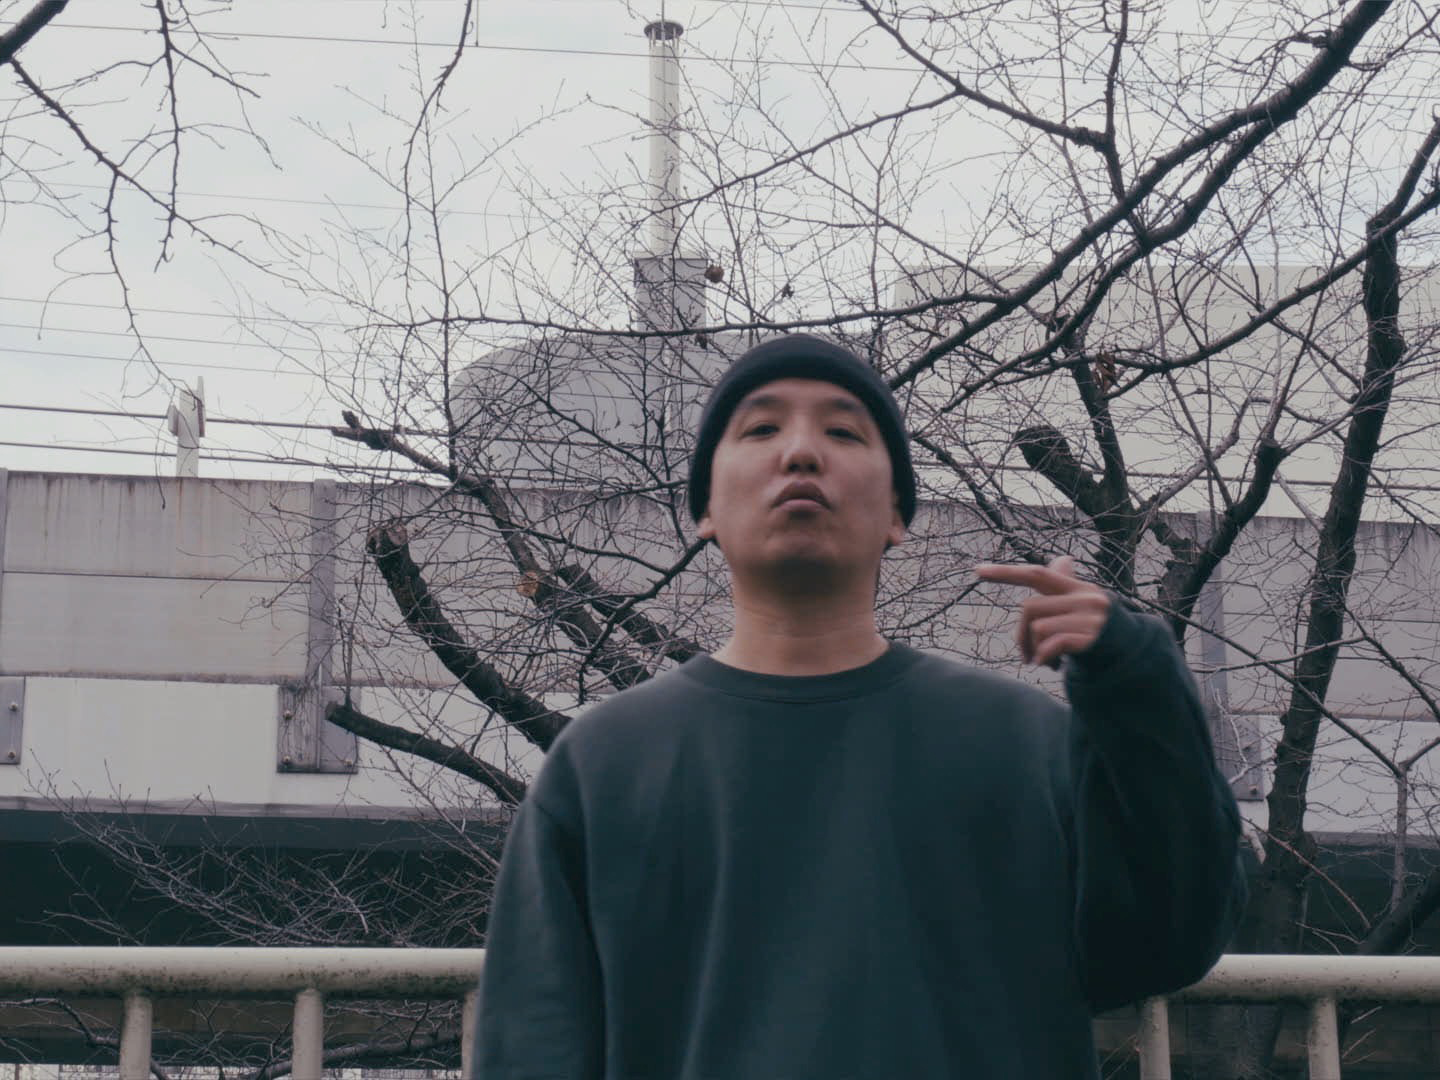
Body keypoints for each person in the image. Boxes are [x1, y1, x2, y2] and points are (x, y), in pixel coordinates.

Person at [473, 334, 1247, 1079]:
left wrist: (1137, 680)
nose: (801, 452)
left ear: (898, 516)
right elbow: (533, 1047)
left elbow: (1171, 943)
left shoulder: (1026, 742)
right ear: (704, 509)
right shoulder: (603, 764)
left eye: (843, 431)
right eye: (761, 428)